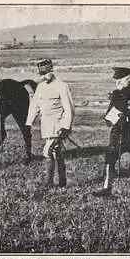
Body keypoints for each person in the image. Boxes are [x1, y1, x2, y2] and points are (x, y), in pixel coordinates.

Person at [93, 67, 130, 197]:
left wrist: (129, 116)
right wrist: (110, 119)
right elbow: (109, 115)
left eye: (120, 80)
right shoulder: (116, 94)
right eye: (116, 80)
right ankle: (106, 188)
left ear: (129, 79)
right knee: (110, 159)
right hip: (118, 134)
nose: (117, 83)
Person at [25, 59, 75, 196]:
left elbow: (69, 109)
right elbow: (34, 105)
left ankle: (48, 182)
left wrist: (65, 126)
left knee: (47, 151)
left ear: (52, 71)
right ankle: (63, 181)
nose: (45, 75)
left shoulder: (62, 86)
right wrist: (28, 123)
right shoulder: (40, 87)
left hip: (59, 126)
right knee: (56, 153)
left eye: (47, 72)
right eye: (42, 73)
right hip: (46, 126)